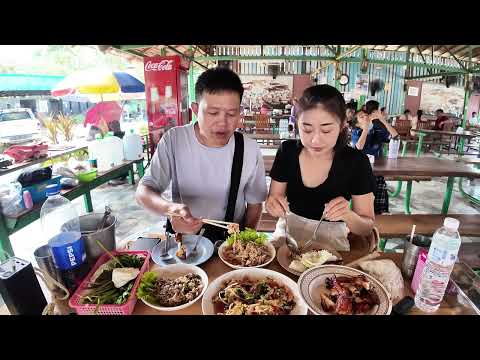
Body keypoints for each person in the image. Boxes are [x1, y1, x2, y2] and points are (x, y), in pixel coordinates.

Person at [135, 67, 268, 242]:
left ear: (239, 112)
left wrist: (245, 244)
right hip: (185, 240)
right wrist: (170, 209)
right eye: (213, 113)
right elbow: (144, 191)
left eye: (231, 113)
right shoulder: (175, 140)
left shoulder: (249, 149)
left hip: (230, 242)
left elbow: (254, 205)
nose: (223, 122)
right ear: (195, 109)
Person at [266, 84, 376, 241]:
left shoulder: (356, 162)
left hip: (332, 245)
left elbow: (366, 228)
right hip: (289, 237)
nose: (315, 140)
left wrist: (347, 215)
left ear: (342, 125)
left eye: (326, 130)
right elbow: (274, 200)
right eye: (307, 129)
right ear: (297, 123)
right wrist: (272, 205)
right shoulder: (287, 152)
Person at [351, 100, 399, 214]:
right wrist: (366, 129)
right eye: (362, 117)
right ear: (357, 123)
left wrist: (382, 119)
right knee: (367, 187)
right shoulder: (356, 132)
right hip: (360, 172)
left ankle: (380, 213)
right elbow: (359, 148)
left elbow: (395, 136)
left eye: (366, 116)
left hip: (377, 170)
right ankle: (363, 212)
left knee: (379, 184)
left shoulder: (376, 130)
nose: (366, 118)